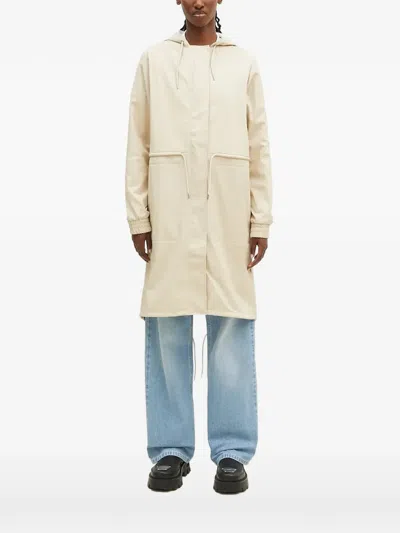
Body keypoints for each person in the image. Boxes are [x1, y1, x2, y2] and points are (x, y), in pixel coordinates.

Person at [125, 0, 273, 494]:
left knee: (230, 325)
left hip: (228, 212)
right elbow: (138, 141)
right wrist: (139, 214)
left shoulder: (242, 62)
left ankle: (232, 450)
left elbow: (259, 146)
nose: (198, 2)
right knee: (167, 325)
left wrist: (260, 218)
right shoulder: (154, 60)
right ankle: (170, 449)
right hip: (170, 209)